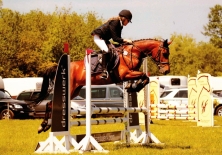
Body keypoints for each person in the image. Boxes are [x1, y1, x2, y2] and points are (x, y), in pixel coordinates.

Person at [91, 9, 133, 79]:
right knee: (106, 50)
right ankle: (104, 71)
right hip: (98, 37)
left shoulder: (120, 25)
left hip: (104, 39)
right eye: (128, 21)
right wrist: (126, 40)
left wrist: (126, 43)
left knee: (114, 49)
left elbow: (119, 39)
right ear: (124, 18)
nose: (128, 23)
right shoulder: (115, 22)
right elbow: (115, 39)